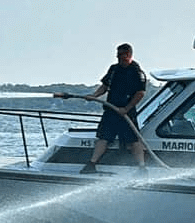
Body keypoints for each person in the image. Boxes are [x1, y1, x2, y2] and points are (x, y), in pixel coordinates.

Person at [60, 42, 149, 172]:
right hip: (111, 111)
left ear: (129, 55)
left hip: (126, 113)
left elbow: (140, 93)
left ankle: (142, 167)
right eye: (117, 56)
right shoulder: (114, 69)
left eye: (122, 56)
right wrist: (95, 95)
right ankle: (92, 164)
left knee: (133, 140)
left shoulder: (137, 72)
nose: (119, 59)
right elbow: (105, 86)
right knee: (103, 137)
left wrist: (126, 108)